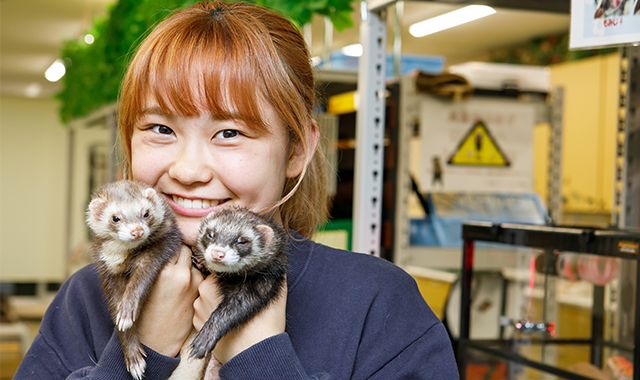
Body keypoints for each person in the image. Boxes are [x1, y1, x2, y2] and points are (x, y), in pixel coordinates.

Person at [13, 1, 459, 379]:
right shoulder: (87, 297)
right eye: (160, 128)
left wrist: (260, 357)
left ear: (297, 150)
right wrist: (139, 352)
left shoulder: (377, 305)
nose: (187, 170)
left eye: (229, 133)